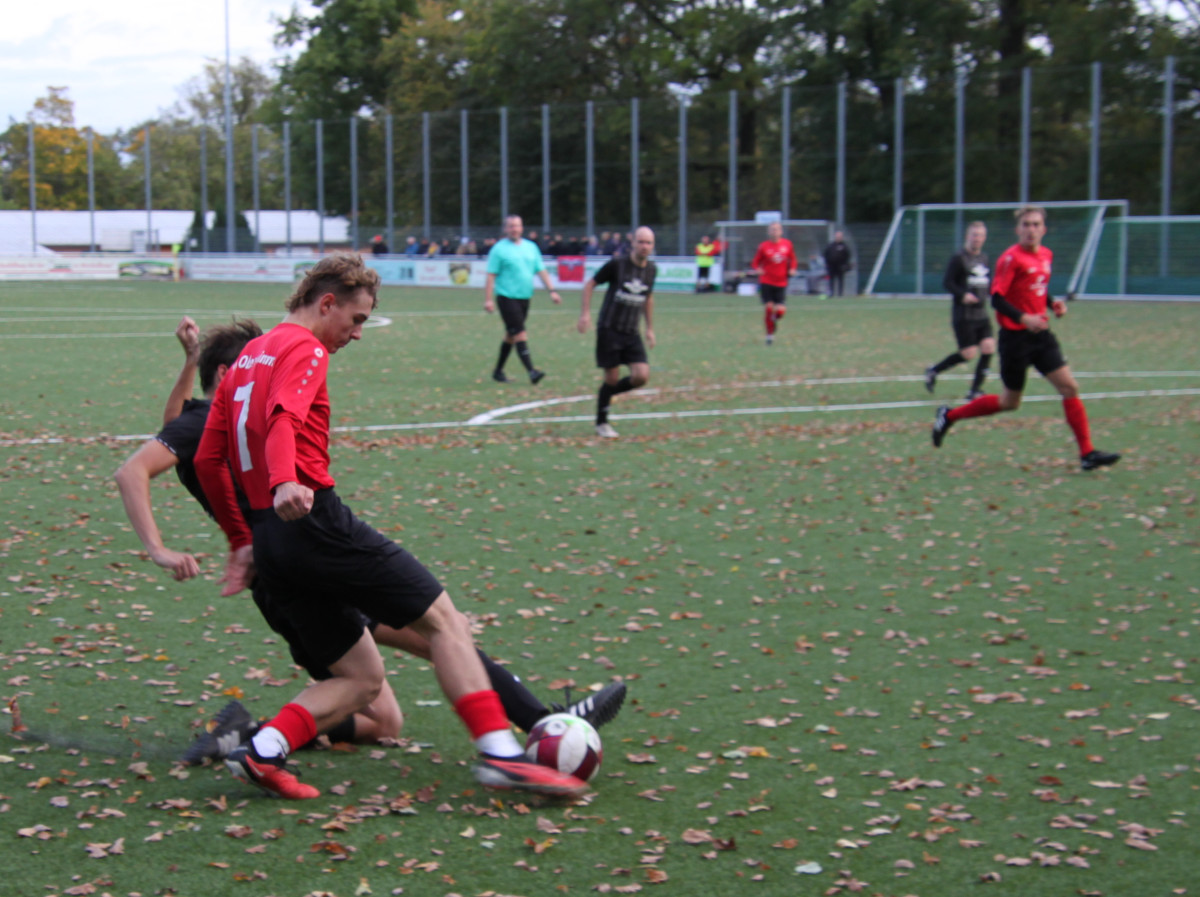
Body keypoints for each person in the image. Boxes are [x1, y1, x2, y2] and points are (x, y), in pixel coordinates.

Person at [113, 317, 626, 767]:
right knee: (388, 708)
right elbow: (135, 468)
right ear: (233, 374)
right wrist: (159, 549)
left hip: (291, 563)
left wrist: (190, 360)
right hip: (294, 566)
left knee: (431, 644)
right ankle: (251, 738)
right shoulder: (206, 421)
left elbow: (174, 424)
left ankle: (541, 720)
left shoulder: (206, 420)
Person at [194, 254, 590, 800]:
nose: (357, 333)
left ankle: (263, 753)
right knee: (445, 623)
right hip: (313, 521)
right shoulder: (304, 347)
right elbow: (285, 414)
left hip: (272, 541)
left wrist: (241, 540)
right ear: (326, 302)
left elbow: (209, 459)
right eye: (355, 320)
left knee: (360, 679)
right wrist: (286, 479)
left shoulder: (246, 358)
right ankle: (502, 755)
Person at [931, 207, 1121, 471]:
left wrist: (1053, 304)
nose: (1031, 229)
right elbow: (997, 298)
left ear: (1044, 229)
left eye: (1036, 224)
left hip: (1040, 336)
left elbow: (1038, 289)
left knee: (1069, 388)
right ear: (1017, 229)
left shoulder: (1046, 255)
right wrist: (1024, 319)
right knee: (1010, 402)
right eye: (1026, 225)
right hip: (1015, 340)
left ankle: (1087, 453)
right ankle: (949, 415)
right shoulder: (1010, 259)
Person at [577, 226, 657, 439]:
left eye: (648, 243)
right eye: (641, 242)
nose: (644, 246)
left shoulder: (651, 270)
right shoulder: (617, 265)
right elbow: (589, 285)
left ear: (652, 246)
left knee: (641, 376)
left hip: (632, 332)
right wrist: (585, 314)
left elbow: (648, 298)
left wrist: (649, 328)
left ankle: (605, 396)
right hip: (609, 329)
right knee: (611, 378)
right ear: (633, 243)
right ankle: (601, 422)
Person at [484, 215, 562, 384]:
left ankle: (498, 371)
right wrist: (488, 299)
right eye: (511, 226)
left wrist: (552, 291)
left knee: (511, 335)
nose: (515, 229)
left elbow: (541, 270)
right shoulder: (499, 249)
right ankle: (532, 371)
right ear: (505, 229)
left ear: (522, 228)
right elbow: (491, 275)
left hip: (525, 297)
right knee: (519, 332)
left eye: (517, 226)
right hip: (506, 297)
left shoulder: (531, 247)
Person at [924, 221, 996, 400]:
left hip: (982, 314)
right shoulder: (959, 258)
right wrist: (962, 295)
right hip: (964, 315)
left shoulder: (984, 259)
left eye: (980, 236)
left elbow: (989, 282)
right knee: (968, 354)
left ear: (984, 238)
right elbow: (947, 282)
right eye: (974, 235)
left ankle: (974, 390)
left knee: (988, 347)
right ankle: (934, 370)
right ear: (967, 236)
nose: (977, 239)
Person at [750, 222, 798, 346]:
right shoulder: (763, 246)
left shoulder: (787, 244)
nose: (774, 232)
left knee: (780, 311)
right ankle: (769, 336)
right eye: (772, 230)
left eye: (777, 229)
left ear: (781, 231)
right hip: (766, 281)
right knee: (769, 307)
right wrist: (757, 269)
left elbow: (793, 259)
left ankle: (773, 320)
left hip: (781, 282)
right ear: (768, 232)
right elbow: (755, 262)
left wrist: (792, 269)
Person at [823, 230, 852, 297]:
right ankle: (831, 293)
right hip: (831, 266)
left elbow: (847, 255)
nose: (838, 237)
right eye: (837, 236)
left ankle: (840, 294)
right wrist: (827, 263)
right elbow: (826, 254)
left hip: (840, 266)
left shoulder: (844, 246)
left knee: (840, 280)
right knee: (831, 280)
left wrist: (845, 264)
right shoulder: (830, 245)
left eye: (840, 236)